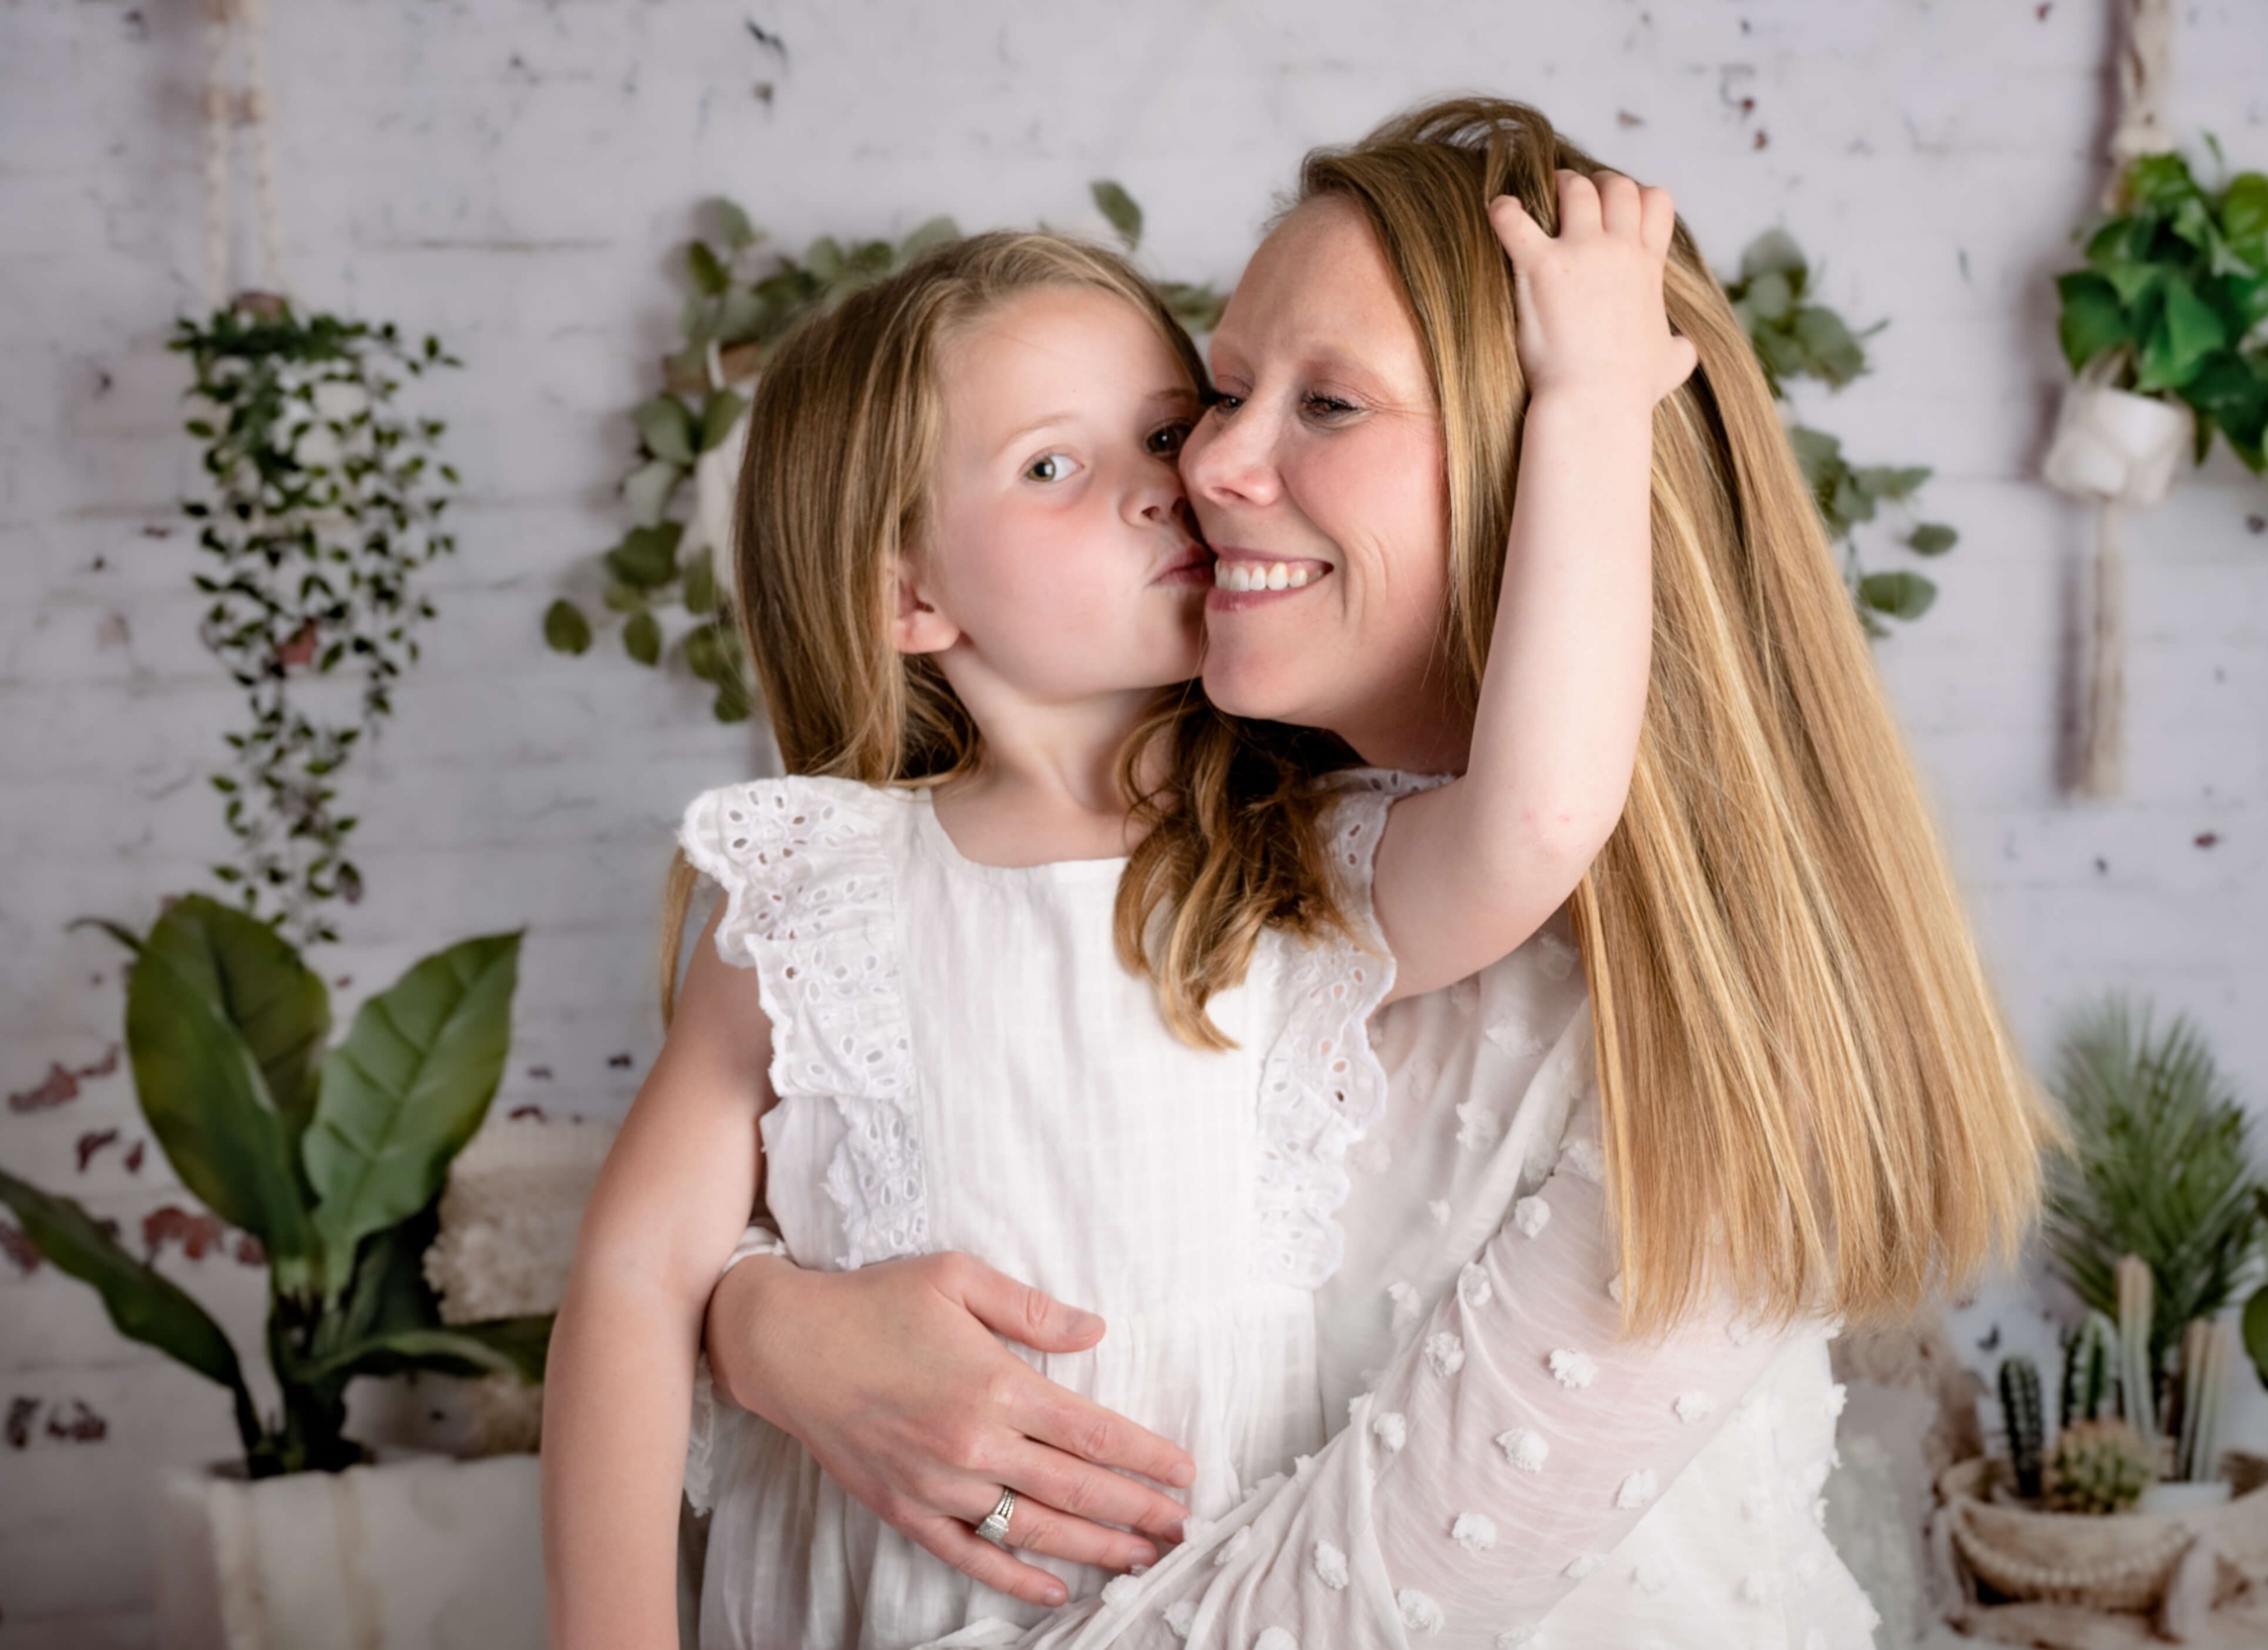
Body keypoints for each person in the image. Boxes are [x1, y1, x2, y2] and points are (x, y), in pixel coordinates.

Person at [698, 98, 2059, 1650]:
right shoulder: (1190, 875)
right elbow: (840, 1169)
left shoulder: (1707, 1055)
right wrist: (769, 1325)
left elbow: (1317, 1619)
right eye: (1212, 396)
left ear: (1534, 466)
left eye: (1328, 407)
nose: (1208, 464)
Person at [543, 177, 1694, 1650]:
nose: (1168, 483)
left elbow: (1541, 809)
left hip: (1209, 1605)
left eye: (1161, 432)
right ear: (908, 591)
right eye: (1050, 466)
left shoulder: (1287, 870)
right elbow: (638, 1278)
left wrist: (1590, 404)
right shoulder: (818, 891)